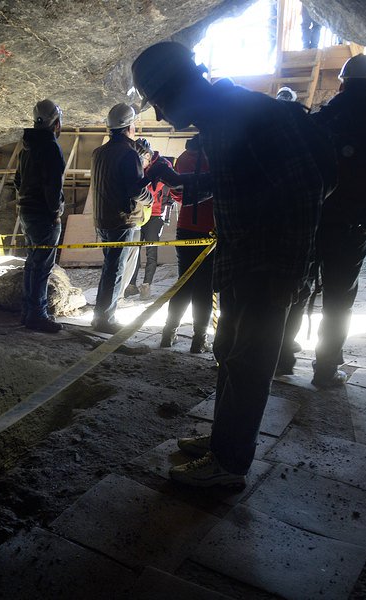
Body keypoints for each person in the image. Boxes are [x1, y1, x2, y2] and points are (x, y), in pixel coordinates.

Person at [131, 42, 326, 488]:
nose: (160, 116)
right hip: (240, 259)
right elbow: (235, 180)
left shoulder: (251, 114)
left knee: (251, 361)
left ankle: (229, 465)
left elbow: (305, 190)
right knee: (230, 354)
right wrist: (184, 183)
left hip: (268, 265)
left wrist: (289, 272)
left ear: (181, 87)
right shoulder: (221, 120)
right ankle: (225, 440)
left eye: (160, 102)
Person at [278, 54, 366, 387]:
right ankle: (325, 370)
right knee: (339, 298)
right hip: (353, 228)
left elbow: (295, 173)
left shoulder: (319, 122)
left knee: (297, 287)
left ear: (342, 82)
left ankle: (282, 358)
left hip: (312, 222)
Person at [90, 103, 153, 334]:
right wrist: (150, 199)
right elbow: (136, 190)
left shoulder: (99, 152)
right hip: (121, 219)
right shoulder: (129, 154)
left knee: (109, 269)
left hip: (102, 219)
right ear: (129, 127)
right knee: (115, 271)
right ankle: (105, 319)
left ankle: (100, 315)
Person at [14, 99, 66, 333]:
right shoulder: (50, 147)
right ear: (56, 122)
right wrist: (55, 212)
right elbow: (52, 186)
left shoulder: (27, 146)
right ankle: (37, 315)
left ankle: (28, 312)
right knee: (42, 266)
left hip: (26, 211)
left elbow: (17, 180)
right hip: (43, 214)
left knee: (32, 263)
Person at [160, 135, 216, 354]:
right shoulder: (217, 158)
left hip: (185, 227)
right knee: (204, 287)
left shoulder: (183, 157)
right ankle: (199, 340)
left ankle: (168, 333)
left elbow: (177, 194)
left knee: (183, 282)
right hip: (210, 228)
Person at [124, 138, 174, 301]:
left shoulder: (163, 165)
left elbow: (153, 189)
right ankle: (131, 285)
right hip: (138, 213)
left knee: (151, 251)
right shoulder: (138, 162)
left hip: (155, 214)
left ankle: (146, 285)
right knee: (134, 251)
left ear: (147, 155)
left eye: (140, 159)